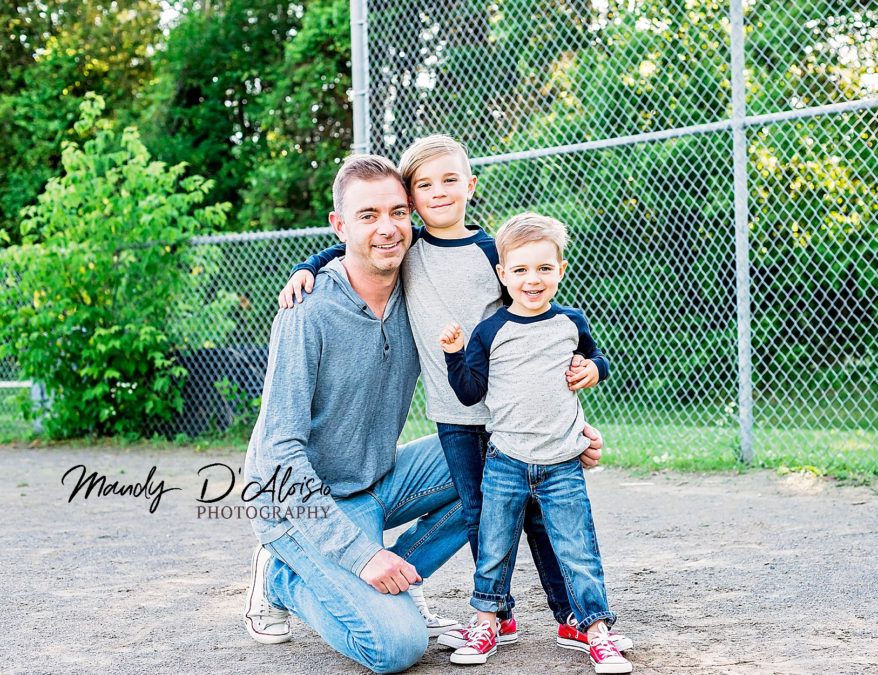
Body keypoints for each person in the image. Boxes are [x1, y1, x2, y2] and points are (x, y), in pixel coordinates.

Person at [243, 155, 602, 674]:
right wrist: (362, 556)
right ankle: (284, 576)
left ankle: (389, 583)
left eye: (397, 212)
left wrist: (565, 436)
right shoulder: (308, 311)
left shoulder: (417, 291)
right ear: (339, 226)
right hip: (302, 501)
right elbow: (278, 455)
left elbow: (517, 351)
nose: (387, 228)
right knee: (396, 647)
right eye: (368, 215)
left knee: (496, 464)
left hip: (378, 477)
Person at [439, 213, 632, 673]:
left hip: (563, 463)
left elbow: (594, 357)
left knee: (577, 548)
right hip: (505, 461)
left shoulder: (570, 321)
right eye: (521, 270)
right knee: (494, 545)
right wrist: (452, 354)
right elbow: (470, 392)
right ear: (503, 275)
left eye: (544, 268)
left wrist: (595, 370)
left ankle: (594, 630)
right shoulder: (490, 331)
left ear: (560, 270)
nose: (533, 279)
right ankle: (488, 621)